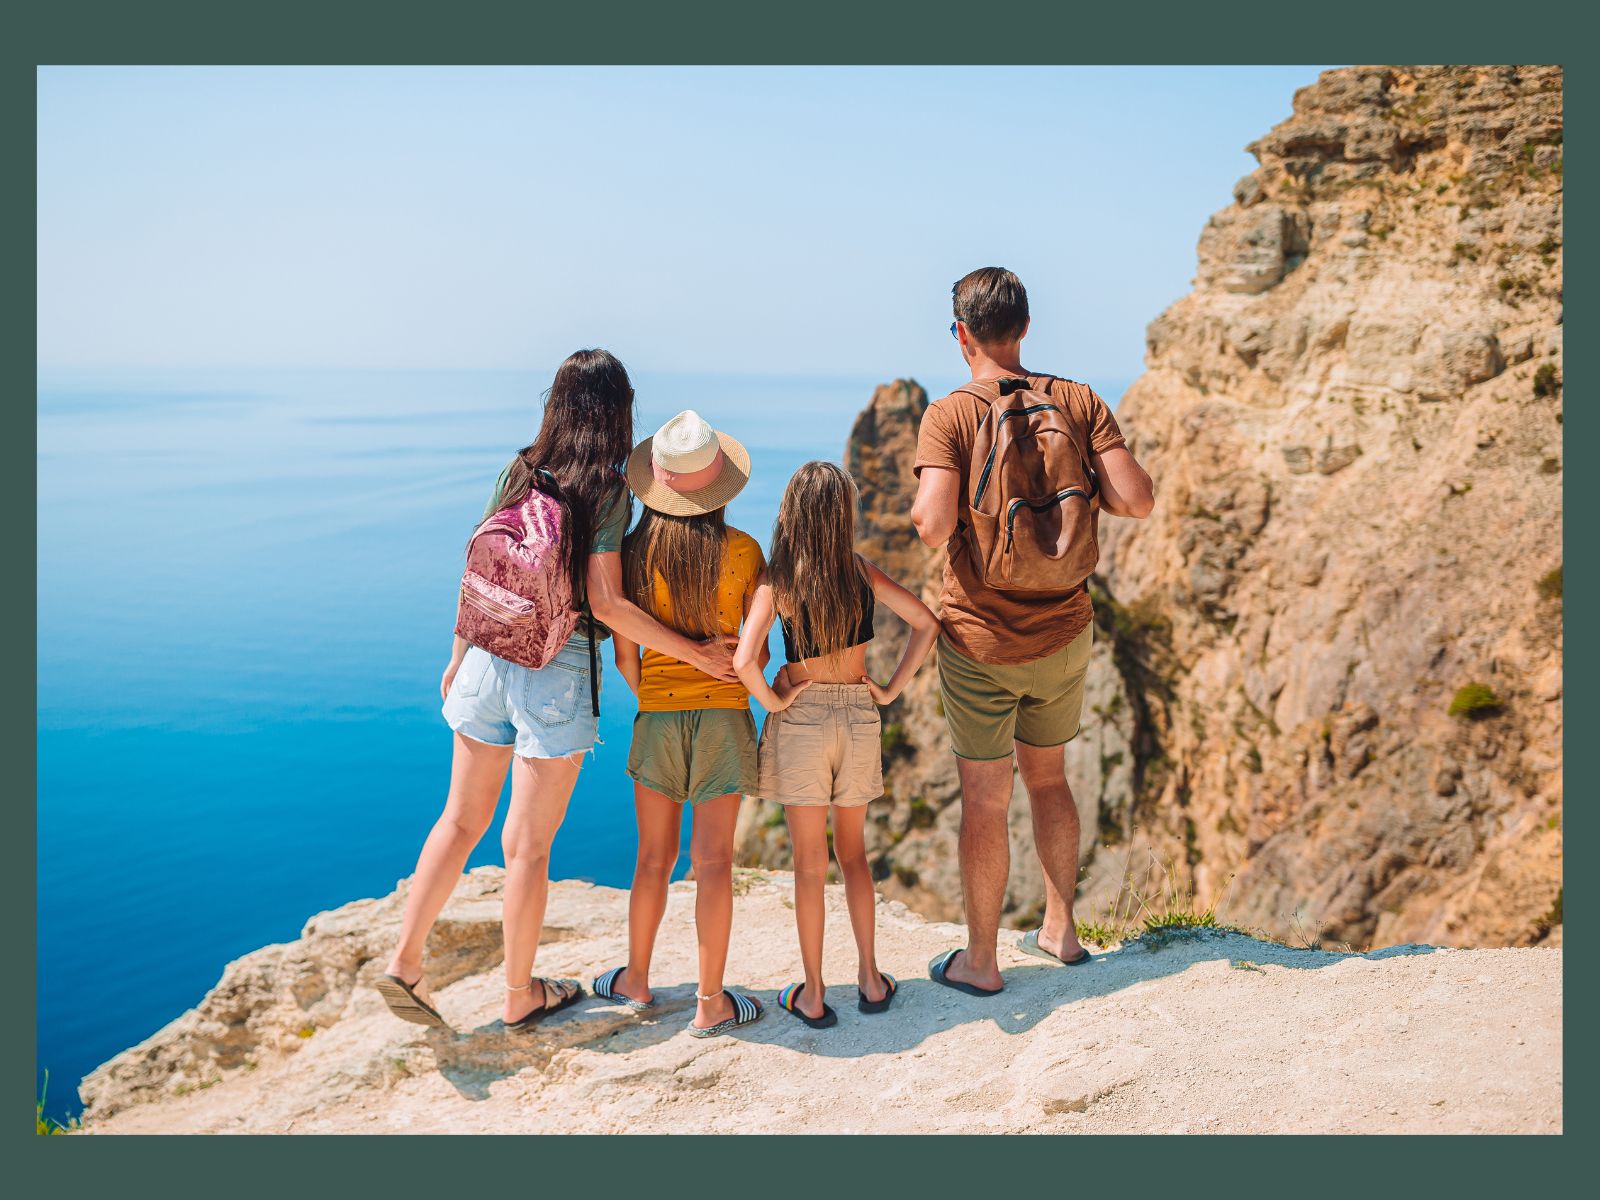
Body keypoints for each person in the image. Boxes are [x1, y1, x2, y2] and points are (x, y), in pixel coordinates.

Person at [377, 353, 741, 1032]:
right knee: (528, 847)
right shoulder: (606, 491)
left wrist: (457, 658)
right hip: (555, 667)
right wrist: (693, 651)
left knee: (458, 821)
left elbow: (476, 567)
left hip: (488, 651)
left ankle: (404, 963)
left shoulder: (519, 469)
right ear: (619, 410)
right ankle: (519, 993)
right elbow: (605, 604)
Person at [911, 268, 1155, 997]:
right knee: (1050, 781)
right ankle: (1061, 930)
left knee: (986, 799)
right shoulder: (1077, 400)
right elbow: (1136, 500)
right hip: (1064, 631)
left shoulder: (949, 415)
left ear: (961, 335)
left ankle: (981, 962)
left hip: (981, 639)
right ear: (1024, 328)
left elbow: (928, 526)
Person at [733, 461, 939, 1028]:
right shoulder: (860, 572)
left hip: (802, 720)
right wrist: (892, 689)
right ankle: (872, 980)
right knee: (853, 855)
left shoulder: (779, 582)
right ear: (842, 516)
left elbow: (745, 661)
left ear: (791, 516)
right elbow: (926, 623)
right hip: (856, 713)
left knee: (807, 865)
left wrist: (775, 703)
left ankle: (815, 993)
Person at [590, 410, 768, 1038]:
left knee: (651, 861)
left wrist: (658, 693)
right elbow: (756, 657)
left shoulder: (633, 553)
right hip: (724, 719)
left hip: (657, 718)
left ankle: (635, 981)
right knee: (714, 862)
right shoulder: (746, 552)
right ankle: (710, 1001)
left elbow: (623, 655)